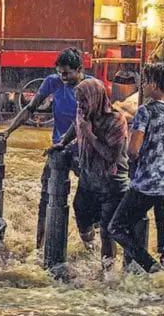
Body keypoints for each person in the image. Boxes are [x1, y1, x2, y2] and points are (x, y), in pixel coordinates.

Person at [0, 47, 87, 248]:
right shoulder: (53, 82)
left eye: (67, 73)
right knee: (46, 198)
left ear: (80, 69)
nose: (63, 77)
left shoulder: (90, 87)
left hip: (83, 151)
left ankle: (91, 246)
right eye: (60, 72)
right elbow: (30, 108)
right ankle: (40, 246)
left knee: (87, 202)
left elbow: (90, 121)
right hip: (57, 150)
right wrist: (7, 132)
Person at [48, 79, 129, 269]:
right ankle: (90, 251)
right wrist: (63, 142)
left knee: (108, 233)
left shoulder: (116, 122)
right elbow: (75, 126)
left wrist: (90, 135)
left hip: (111, 183)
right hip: (88, 179)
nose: (80, 106)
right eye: (78, 101)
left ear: (95, 99)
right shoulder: (83, 113)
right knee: (81, 214)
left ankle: (107, 275)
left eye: (84, 101)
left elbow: (111, 156)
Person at [109, 63, 164, 273]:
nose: (143, 85)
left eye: (147, 81)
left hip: (145, 184)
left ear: (156, 85)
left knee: (117, 227)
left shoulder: (145, 111)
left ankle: (150, 267)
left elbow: (133, 150)